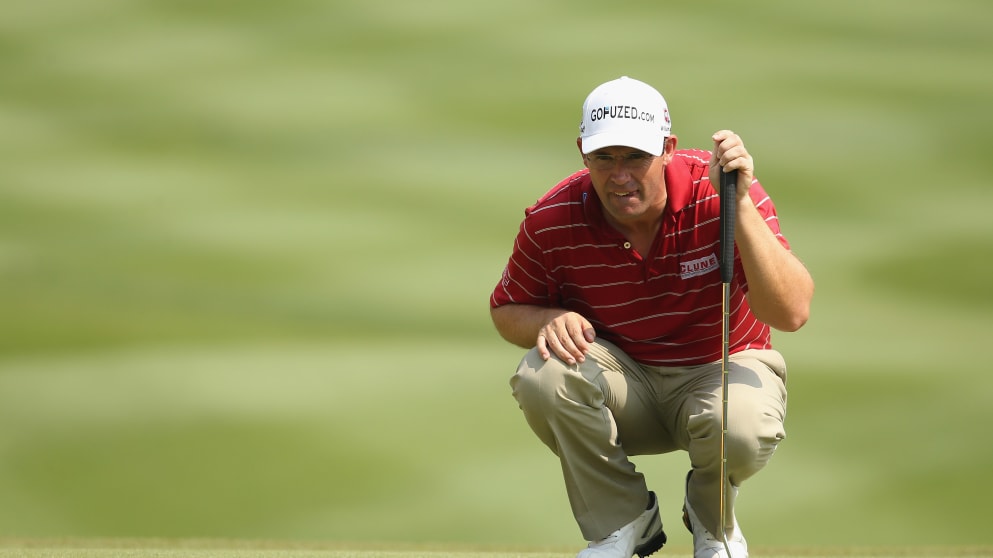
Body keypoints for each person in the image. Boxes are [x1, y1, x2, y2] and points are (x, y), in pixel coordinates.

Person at [488, 76, 814, 558]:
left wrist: (738, 204)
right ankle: (622, 523)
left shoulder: (720, 192)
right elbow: (506, 309)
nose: (620, 175)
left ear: (668, 148)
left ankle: (712, 522)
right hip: (626, 383)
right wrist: (546, 321)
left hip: (717, 369)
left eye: (636, 156)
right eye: (605, 157)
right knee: (542, 376)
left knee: (743, 425)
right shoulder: (553, 218)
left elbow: (790, 313)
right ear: (583, 153)